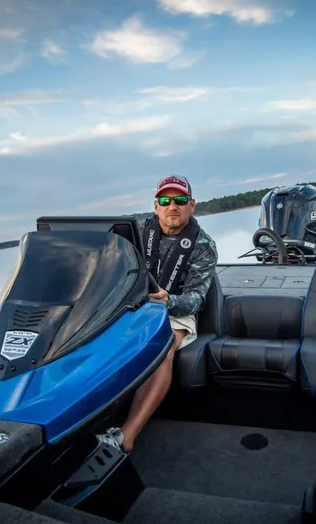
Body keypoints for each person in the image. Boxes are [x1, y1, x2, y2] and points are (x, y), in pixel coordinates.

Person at [96, 174, 218, 453]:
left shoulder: (204, 245)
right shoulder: (135, 234)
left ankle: (126, 436)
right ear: (155, 206)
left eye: (180, 200)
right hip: (135, 307)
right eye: (165, 200)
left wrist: (168, 300)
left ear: (192, 205)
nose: (172, 206)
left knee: (161, 347)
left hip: (175, 311)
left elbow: (196, 299)